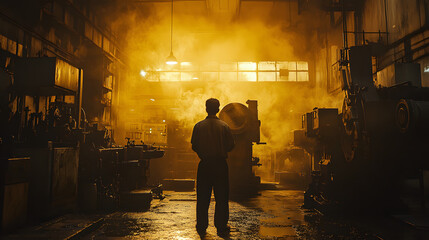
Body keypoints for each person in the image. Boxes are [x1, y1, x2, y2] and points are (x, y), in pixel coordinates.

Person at [191, 98, 235, 236]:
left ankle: (202, 225)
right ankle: (221, 226)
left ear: (206, 108)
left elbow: (194, 146)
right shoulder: (224, 126)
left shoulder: (198, 126)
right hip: (220, 165)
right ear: (218, 109)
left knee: (203, 197)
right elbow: (231, 145)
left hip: (204, 165)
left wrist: (203, 153)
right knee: (221, 197)